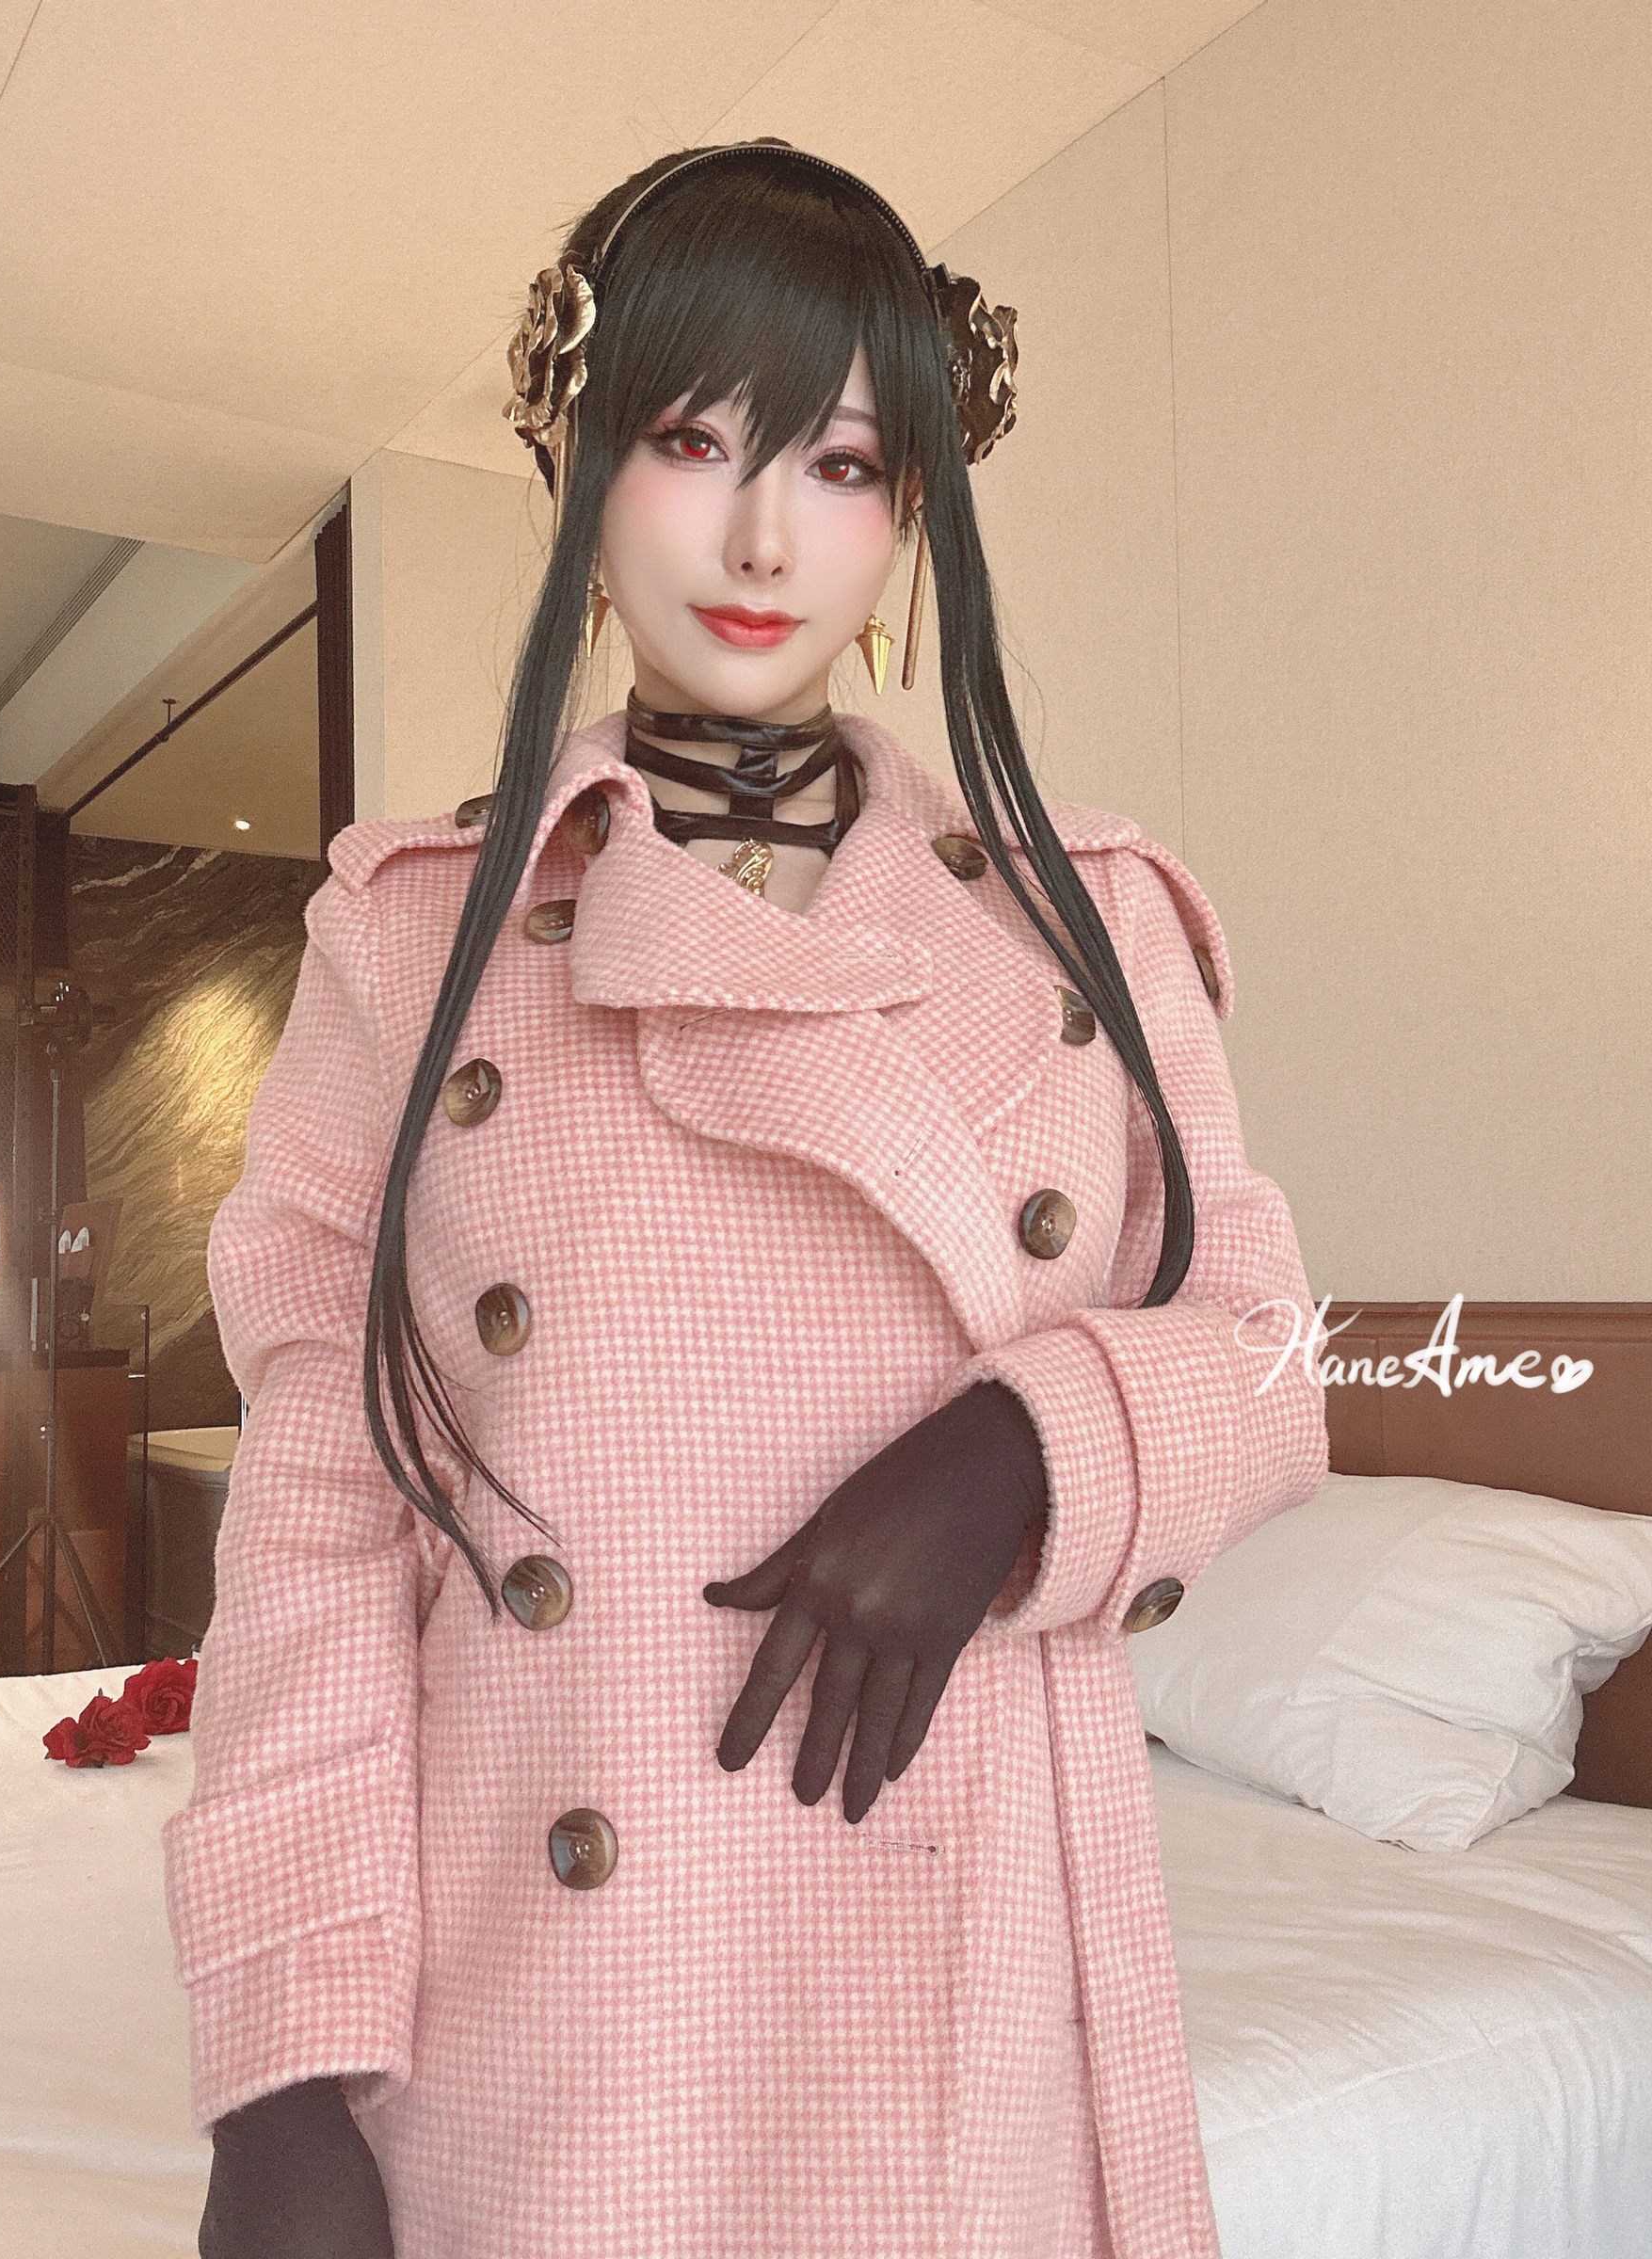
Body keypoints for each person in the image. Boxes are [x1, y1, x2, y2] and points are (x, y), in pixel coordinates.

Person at [168, 139, 1329, 2259]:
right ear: (576, 463)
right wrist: (282, 2071)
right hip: (557, 1997)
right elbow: (320, 1525)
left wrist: (1029, 1450)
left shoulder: (1088, 923)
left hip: (968, 1965)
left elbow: (1268, 1350)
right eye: (693, 441)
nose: (765, 534)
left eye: (845, 463)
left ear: (912, 517)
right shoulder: (413, 942)